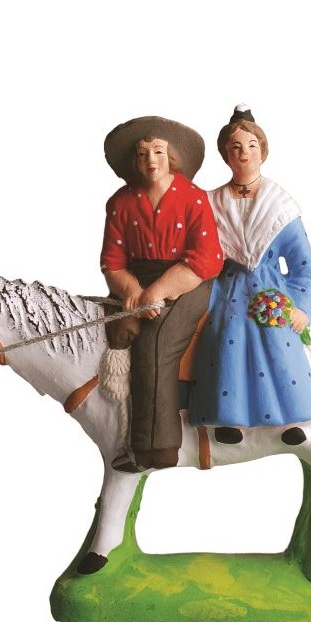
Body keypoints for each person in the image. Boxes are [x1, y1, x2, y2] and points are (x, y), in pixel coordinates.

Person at [189, 105, 311, 444]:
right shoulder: (211, 203)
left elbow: (304, 266)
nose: (244, 153)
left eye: (251, 145)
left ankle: (290, 419)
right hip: (226, 290)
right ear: (225, 156)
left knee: (278, 338)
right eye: (235, 147)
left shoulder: (280, 205)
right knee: (225, 336)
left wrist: (301, 307)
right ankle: (229, 417)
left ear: (262, 151)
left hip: (269, 289)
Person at [100, 116, 223, 471]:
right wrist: (132, 290)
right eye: (142, 154)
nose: (150, 160)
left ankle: (157, 448)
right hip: (137, 283)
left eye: (157, 151)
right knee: (112, 331)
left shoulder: (193, 198)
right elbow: (112, 262)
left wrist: (157, 292)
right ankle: (108, 426)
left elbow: (206, 258)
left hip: (189, 280)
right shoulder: (120, 202)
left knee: (157, 341)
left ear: (171, 157)